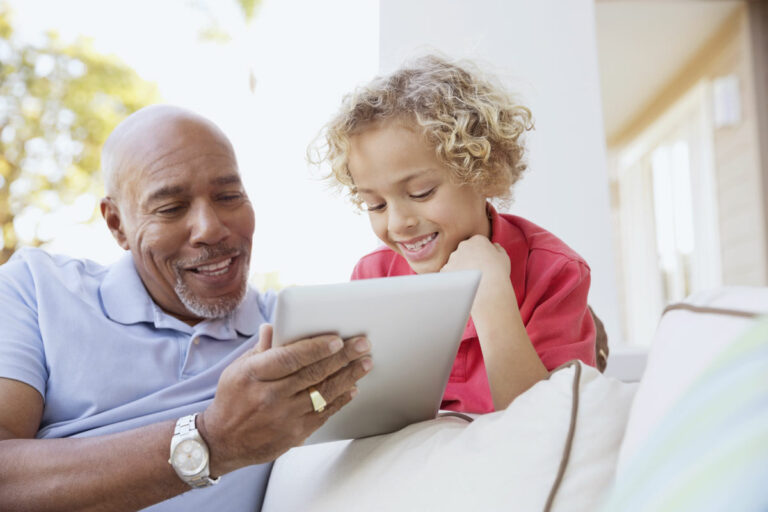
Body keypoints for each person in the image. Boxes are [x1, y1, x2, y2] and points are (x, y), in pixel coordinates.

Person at [0, 105, 373, 511]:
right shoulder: (35, 290)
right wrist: (213, 441)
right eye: (171, 208)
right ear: (116, 224)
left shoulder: (295, 334)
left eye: (229, 196)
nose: (210, 228)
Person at [312, 55, 595, 413]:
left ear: (485, 173)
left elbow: (543, 425)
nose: (398, 224)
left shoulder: (555, 273)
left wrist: (491, 294)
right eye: (376, 206)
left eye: (421, 193)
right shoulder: (373, 278)